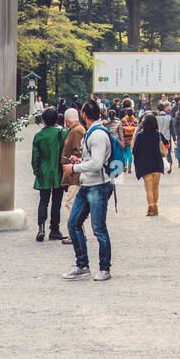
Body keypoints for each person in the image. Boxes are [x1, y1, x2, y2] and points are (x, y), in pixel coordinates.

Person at [61, 100, 113, 280]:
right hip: (88, 184)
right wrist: (80, 161)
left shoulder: (97, 135)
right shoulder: (92, 132)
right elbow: (94, 161)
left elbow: (98, 163)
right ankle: (82, 264)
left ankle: (104, 268)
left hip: (98, 185)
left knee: (98, 228)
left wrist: (74, 168)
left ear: (84, 114)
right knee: (74, 223)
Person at [31, 105, 65, 242]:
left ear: (43, 119)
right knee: (57, 202)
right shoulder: (62, 133)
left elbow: (35, 157)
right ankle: (54, 229)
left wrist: (36, 170)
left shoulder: (39, 135)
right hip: (58, 171)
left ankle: (41, 228)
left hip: (44, 171)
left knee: (43, 200)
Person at [60, 107, 85, 244]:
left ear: (66, 120)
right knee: (76, 203)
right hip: (76, 172)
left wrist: (72, 160)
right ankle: (79, 231)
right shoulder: (78, 129)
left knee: (71, 203)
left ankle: (73, 233)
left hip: (76, 173)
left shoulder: (76, 132)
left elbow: (79, 152)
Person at [133, 112, 164, 217]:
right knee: (156, 187)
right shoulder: (157, 134)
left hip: (145, 165)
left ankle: (150, 208)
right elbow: (166, 144)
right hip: (157, 164)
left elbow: (135, 150)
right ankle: (156, 206)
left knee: (149, 189)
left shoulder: (140, 135)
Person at [119, 107, 137, 174]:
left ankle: (125, 166)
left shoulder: (123, 120)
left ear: (126, 113)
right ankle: (129, 167)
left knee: (124, 152)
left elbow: (120, 129)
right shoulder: (135, 120)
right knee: (130, 152)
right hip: (131, 139)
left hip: (124, 138)